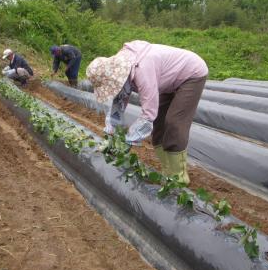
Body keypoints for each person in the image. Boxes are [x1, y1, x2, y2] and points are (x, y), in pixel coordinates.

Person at [86, 41, 208, 184]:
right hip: (167, 78)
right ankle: (167, 170)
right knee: (159, 125)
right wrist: (110, 137)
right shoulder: (120, 65)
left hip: (191, 74)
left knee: (174, 122)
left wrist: (128, 141)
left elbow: (148, 114)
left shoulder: (143, 71)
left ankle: (178, 176)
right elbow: (118, 105)